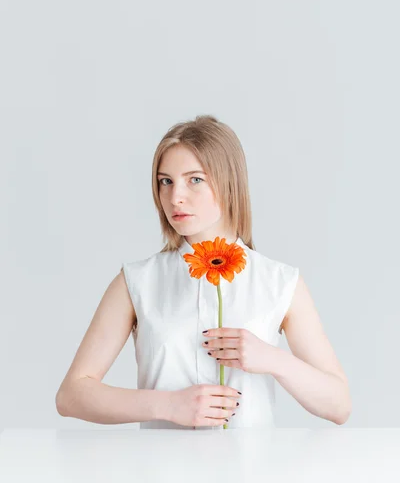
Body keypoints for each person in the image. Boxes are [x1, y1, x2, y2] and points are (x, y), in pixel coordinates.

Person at [55, 114, 351, 429]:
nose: (175, 197)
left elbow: (339, 406)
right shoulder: (137, 281)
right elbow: (71, 395)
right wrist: (168, 404)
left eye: (194, 179)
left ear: (228, 183)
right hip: (161, 472)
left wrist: (273, 360)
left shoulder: (280, 282)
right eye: (165, 181)